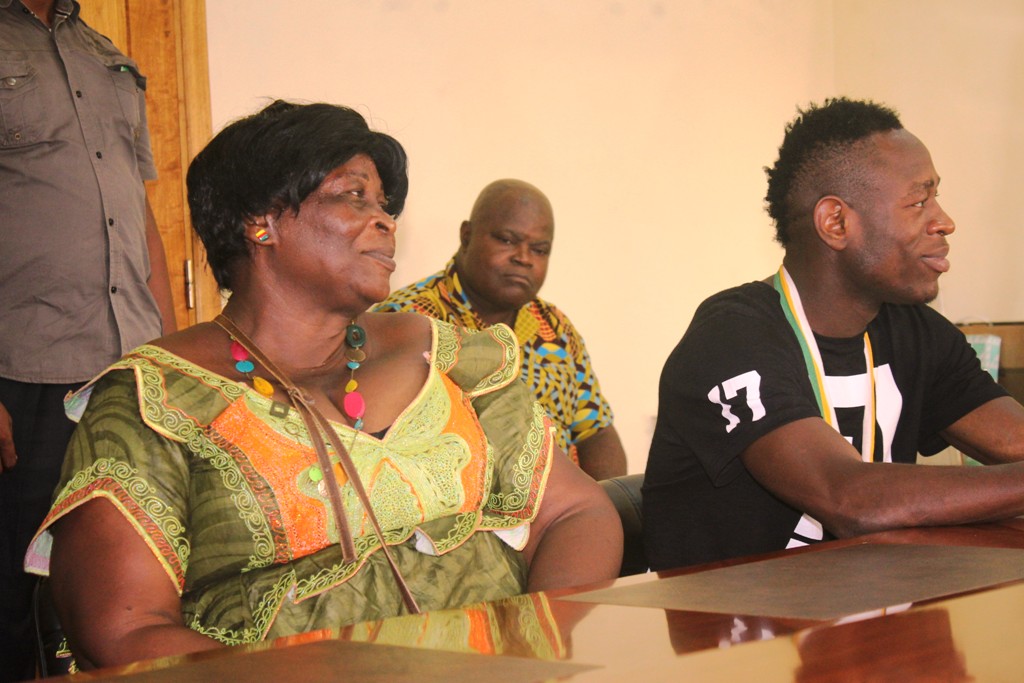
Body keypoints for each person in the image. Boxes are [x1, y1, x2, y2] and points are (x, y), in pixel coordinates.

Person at [24, 100, 622, 669]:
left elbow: (575, 513)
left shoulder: (448, 355)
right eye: (353, 196)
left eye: (385, 204)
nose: (385, 221)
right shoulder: (156, 398)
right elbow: (123, 630)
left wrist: (532, 646)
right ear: (260, 221)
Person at [643, 97, 1024, 570]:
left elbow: (1014, 441)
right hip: (730, 615)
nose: (944, 221)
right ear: (836, 222)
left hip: (868, 607)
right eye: (918, 201)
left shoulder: (917, 332)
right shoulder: (730, 336)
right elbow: (851, 499)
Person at [0, 1, 176, 678]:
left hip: (127, 373)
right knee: (15, 605)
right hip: (24, 374)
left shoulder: (104, 53)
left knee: (123, 589)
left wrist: (172, 360)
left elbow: (139, 211)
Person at [376, 180, 627, 480]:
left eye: (539, 249)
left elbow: (596, 432)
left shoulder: (556, 328)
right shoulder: (408, 320)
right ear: (467, 236)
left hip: (564, 505)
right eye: (507, 240)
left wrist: (605, 501)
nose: (523, 258)